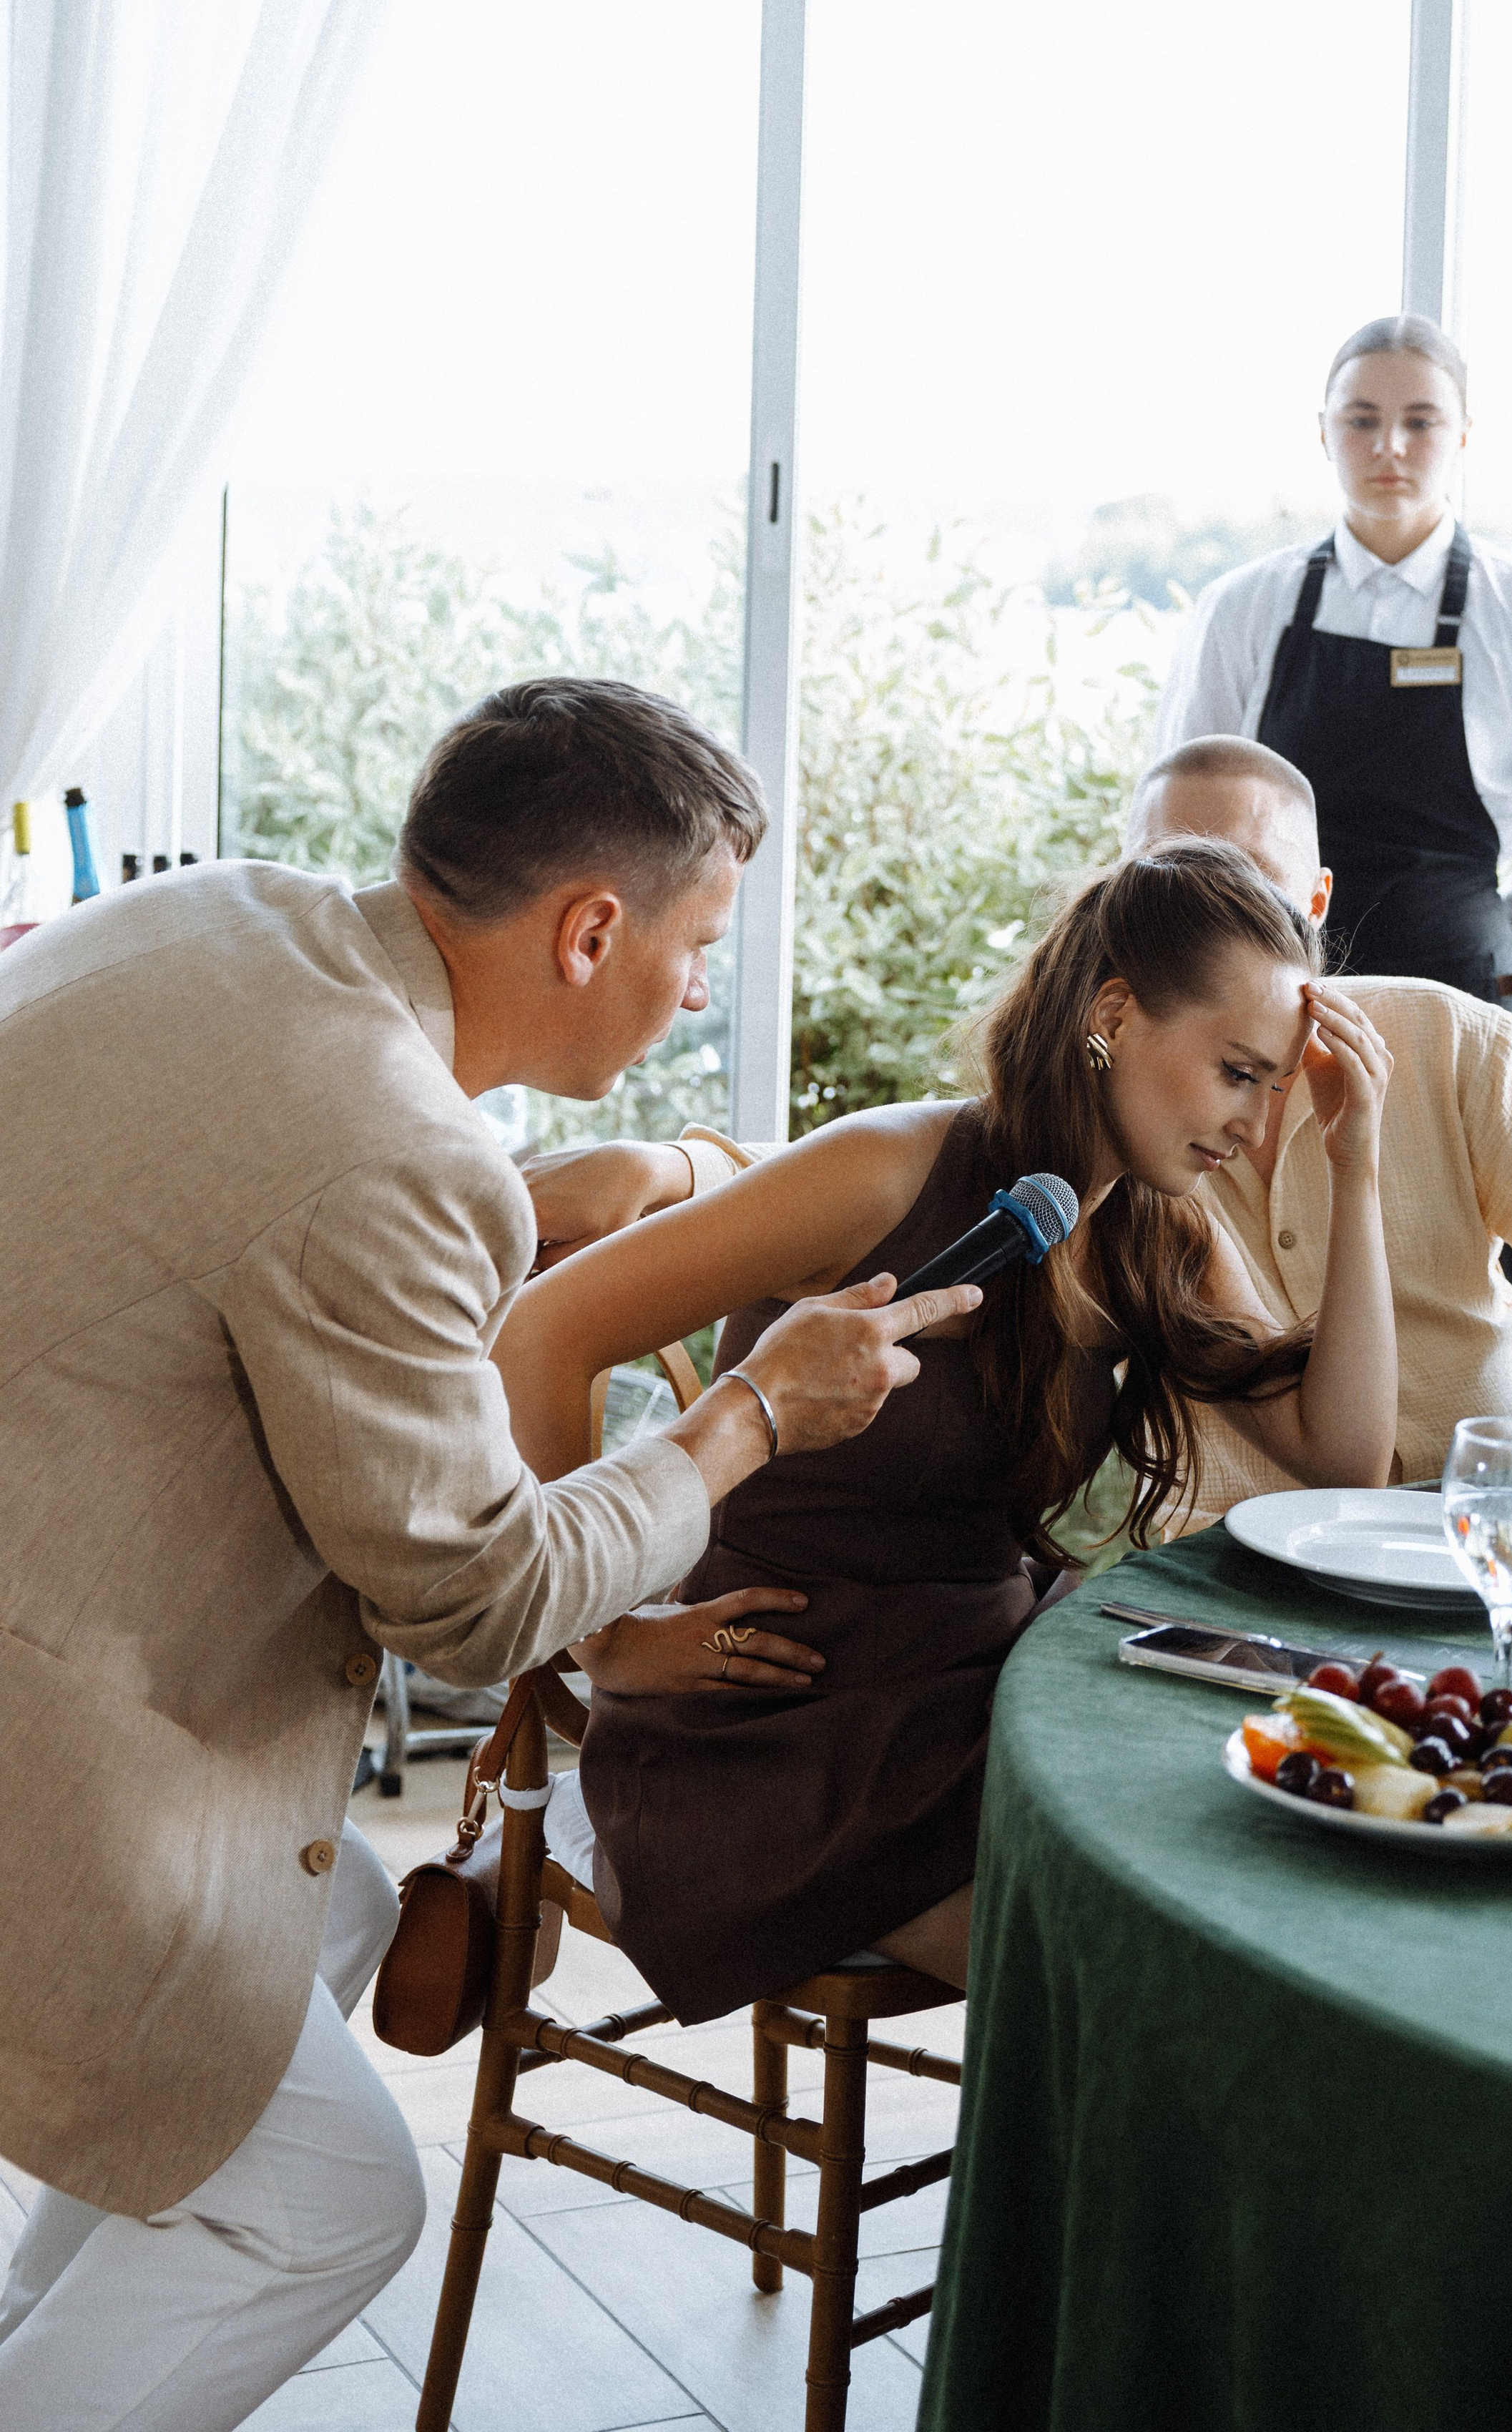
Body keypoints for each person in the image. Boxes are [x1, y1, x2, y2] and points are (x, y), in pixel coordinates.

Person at [0, 677, 978, 2432]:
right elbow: (470, 1602)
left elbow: (252, 1201)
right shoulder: (388, 1142)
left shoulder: (222, 915)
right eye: (698, 946)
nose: (698, 990)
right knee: (331, 2202)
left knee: (328, 1909)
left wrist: (531, 1198)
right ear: (591, 926)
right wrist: (748, 1410)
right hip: (34, 1742)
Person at [489, 843, 1397, 2011]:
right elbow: (540, 1337)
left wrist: (1357, 1160)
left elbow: (1345, 1457)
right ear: (1114, 1013)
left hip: (986, 1699)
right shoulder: (888, 1170)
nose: (1253, 1119)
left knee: (1263, 1892)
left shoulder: (1152, 1230)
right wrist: (598, 1632)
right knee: (1140, 1989)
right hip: (777, 1740)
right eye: (1236, 1071)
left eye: (1274, 1084)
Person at [1120, 735, 1512, 1528]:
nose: (1212, 924)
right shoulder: (1108, 1110)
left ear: (1316, 904)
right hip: (1225, 1576)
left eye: (1250, 884)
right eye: (1174, 884)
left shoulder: (1450, 1041)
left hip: (1482, 1541)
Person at [1153, 313, 1512, 1023]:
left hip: (1465, 1004)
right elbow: (1174, 823)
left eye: (1421, 423)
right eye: (1361, 420)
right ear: (1322, 430)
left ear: (1463, 433)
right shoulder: (1241, 608)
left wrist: (1490, 942)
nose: (1389, 448)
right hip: (1273, 1003)